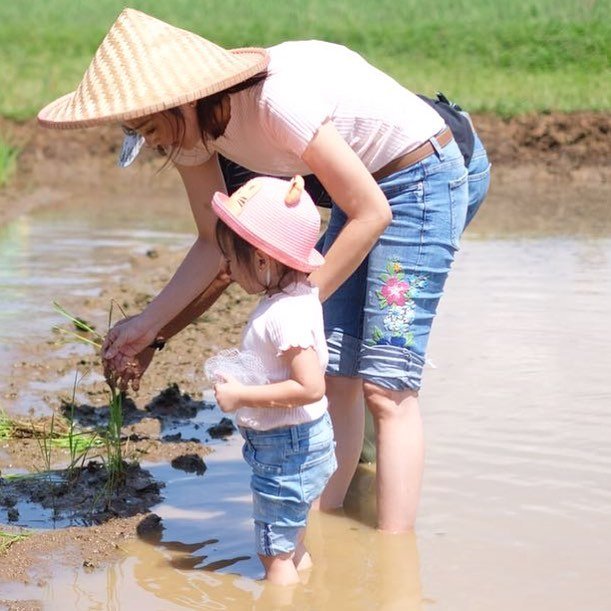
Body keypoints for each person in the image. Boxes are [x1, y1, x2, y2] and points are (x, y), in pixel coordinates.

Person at [38, 8, 491, 533]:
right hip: (360, 191)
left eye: (150, 128)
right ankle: (328, 527)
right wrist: (148, 327)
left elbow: (374, 212)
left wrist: (298, 299)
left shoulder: (275, 102)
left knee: (387, 388)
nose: (154, 145)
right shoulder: (194, 137)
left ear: (178, 99)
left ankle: (394, 557)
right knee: (335, 372)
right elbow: (214, 244)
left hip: (418, 181)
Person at [203, 174, 336, 585]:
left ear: (262, 259)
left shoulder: (282, 315)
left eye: (232, 256)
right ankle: (308, 592)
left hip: (286, 449)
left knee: (272, 555)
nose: (225, 267)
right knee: (292, 545)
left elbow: (310, 387)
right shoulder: (300, 295)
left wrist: (241, 394)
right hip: (307, 442)